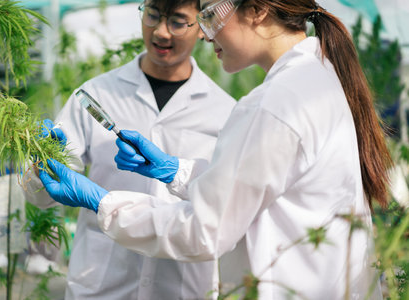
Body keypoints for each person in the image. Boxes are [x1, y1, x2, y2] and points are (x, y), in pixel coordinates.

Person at [38, 0, 393, 298]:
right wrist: (177, 171)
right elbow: (252, 191)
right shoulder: (313, 80)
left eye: (206, 16)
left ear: (255, 10)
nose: (206, 34)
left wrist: (101, 202)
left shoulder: (272, 104)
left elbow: (204, 229)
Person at [24, 0, 236, 299]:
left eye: (177, 21)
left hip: (184, 288)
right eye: (152, 15)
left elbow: (226, 210)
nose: (161, 32)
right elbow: (41, 197)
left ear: (202, 26)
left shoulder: (226, 112)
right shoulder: (96, 95)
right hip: (101, 286)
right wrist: (40, 166)